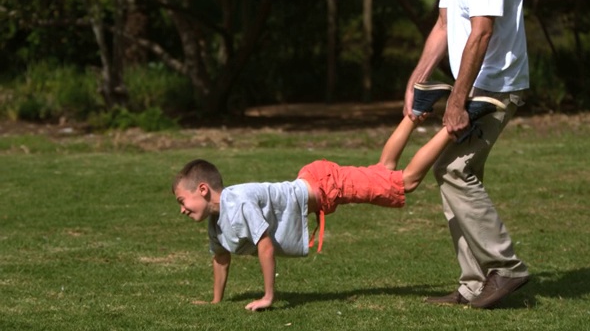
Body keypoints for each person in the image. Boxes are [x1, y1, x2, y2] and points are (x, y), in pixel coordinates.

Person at [173, 85, 503, 311]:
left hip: (328, 185)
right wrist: (216, 302)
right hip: (318, 182)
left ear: (203, 190)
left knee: (405, 182)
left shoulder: (237, 202)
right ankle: (417, 109)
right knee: (383, 169)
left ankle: (458, 120)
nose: (182, 210)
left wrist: (269, 296)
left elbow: (266, 244)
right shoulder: (218, 222)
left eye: (181, 201)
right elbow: (220, 258)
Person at [403, 0, 530, 309]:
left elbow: (482, 31)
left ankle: (505, 267)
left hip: (496, 87)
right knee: (455, 172)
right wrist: (416, 81)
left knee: (453, 170)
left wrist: (457, 102)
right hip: (474, 84)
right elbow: (444, 23)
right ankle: (474, 284)